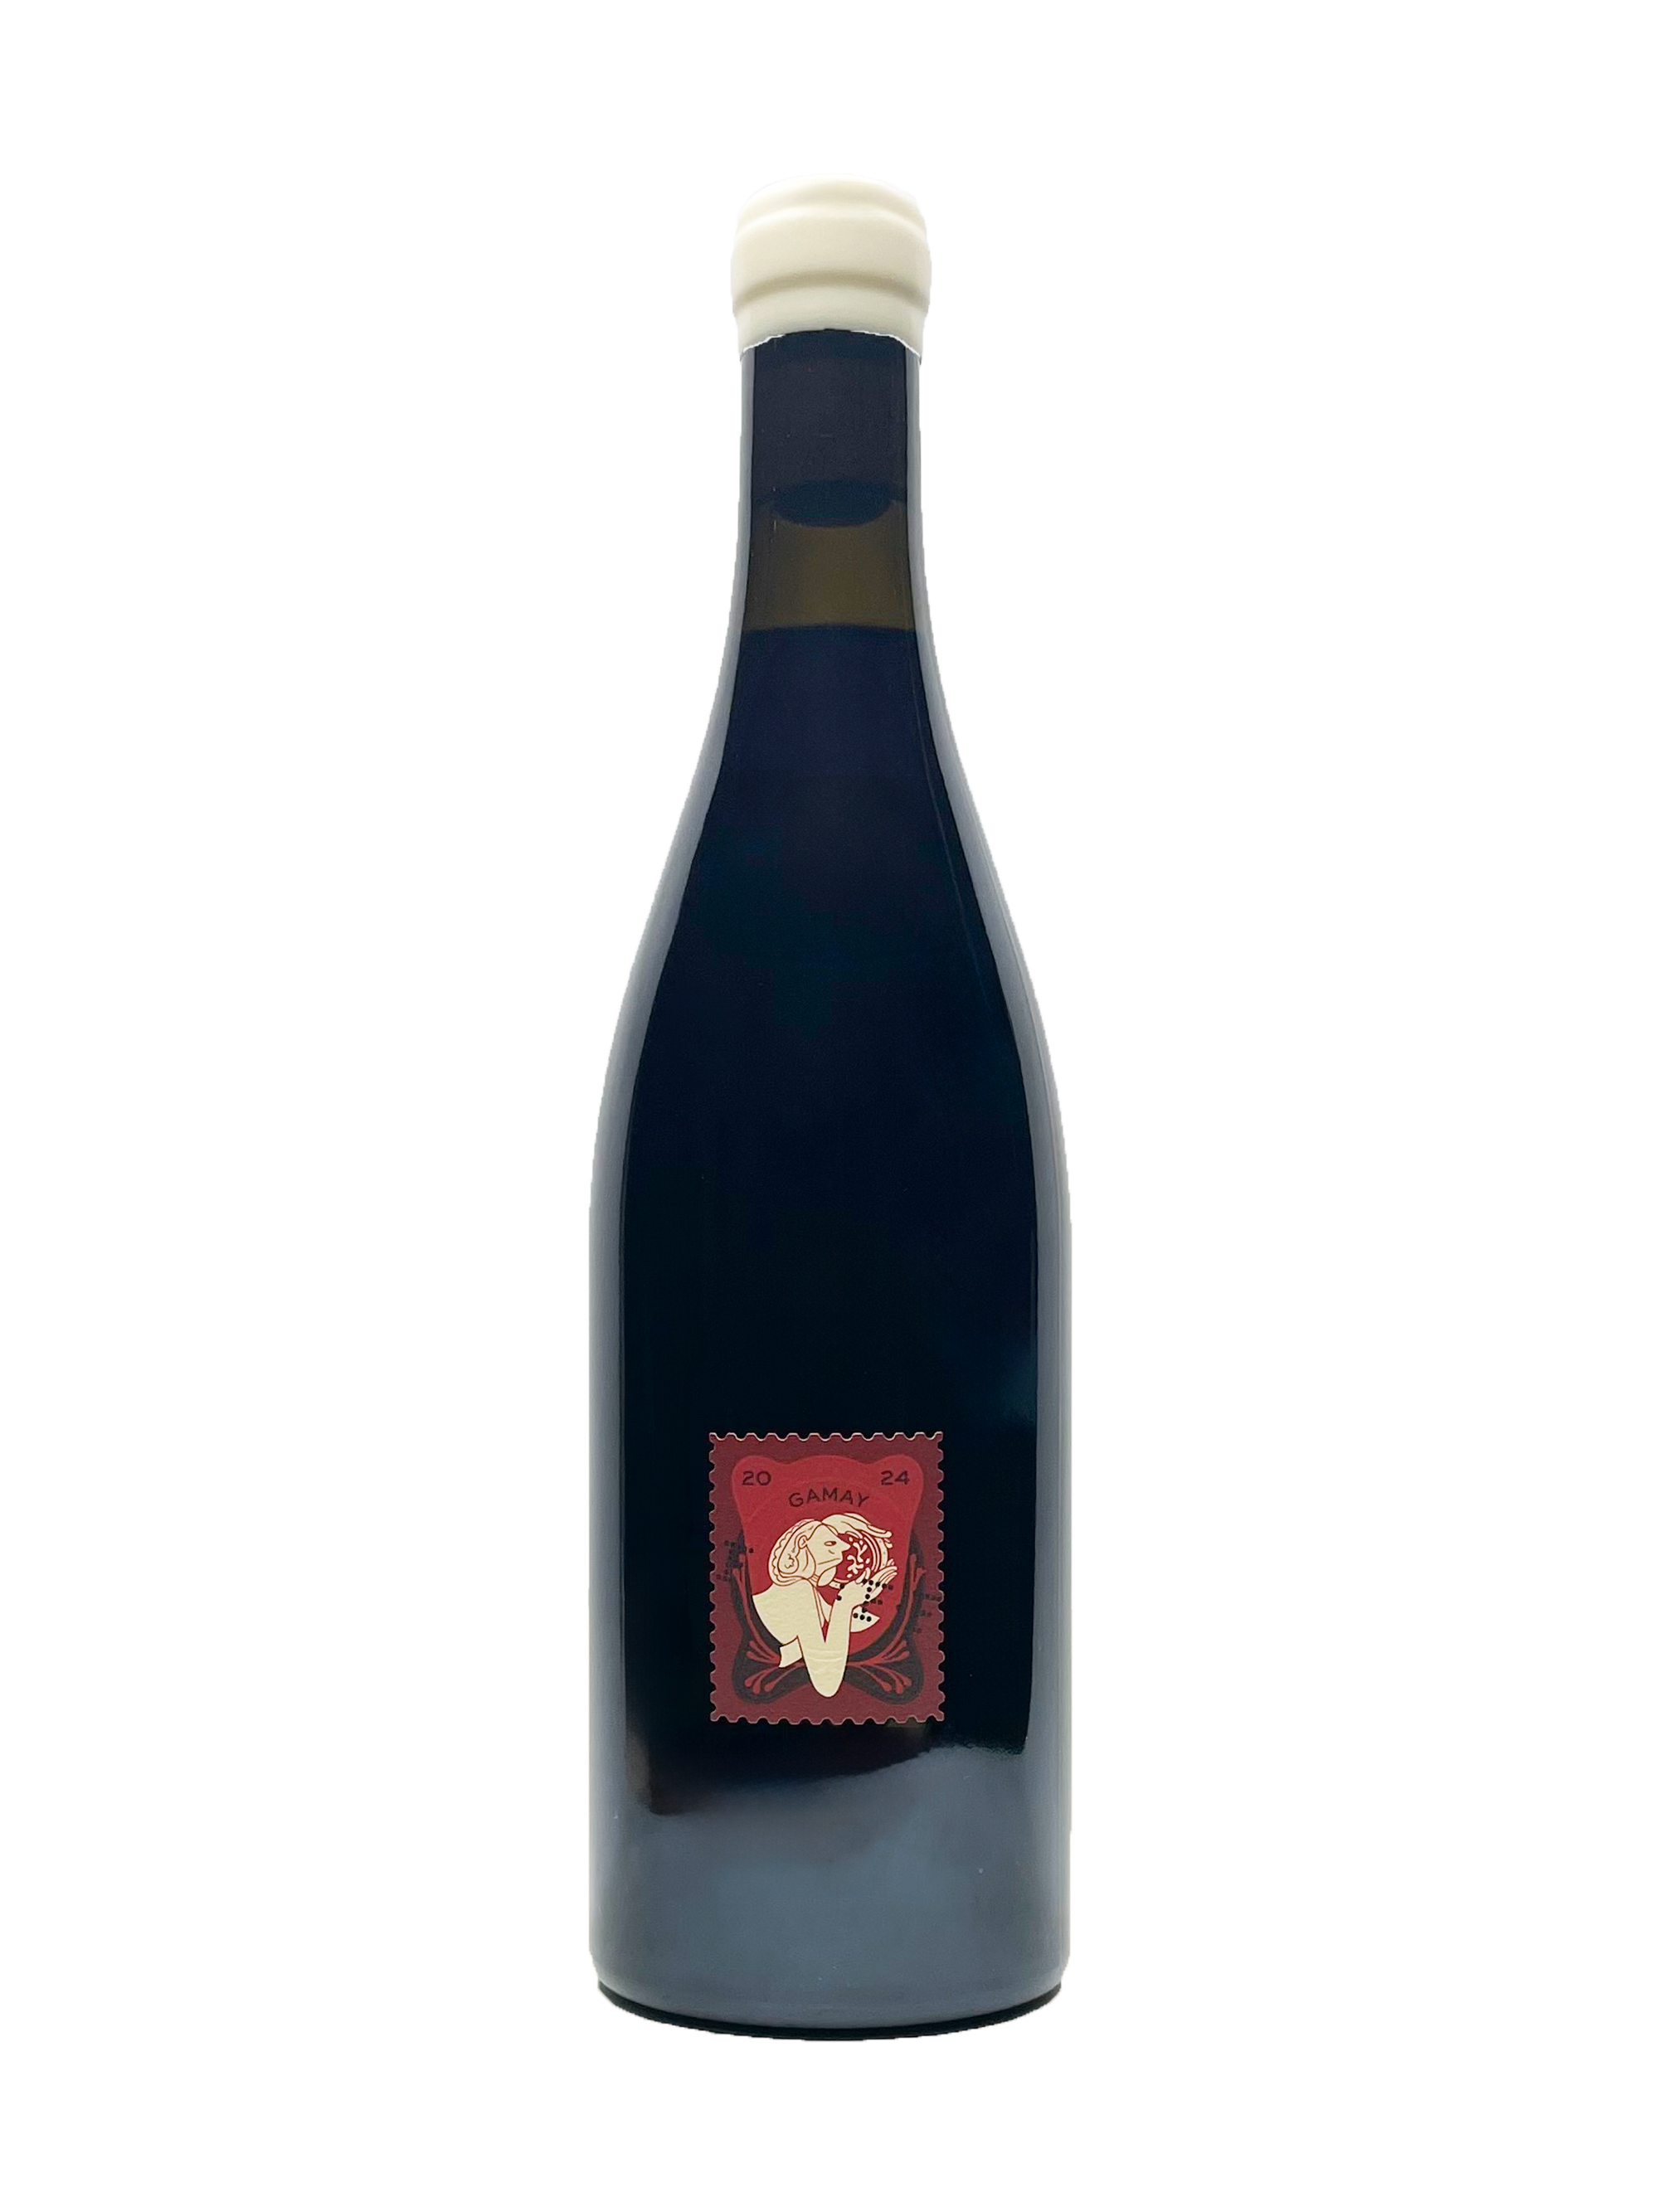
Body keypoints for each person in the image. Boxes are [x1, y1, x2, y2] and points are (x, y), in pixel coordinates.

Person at [752, 1514, 896, 1699]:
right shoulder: (799, 1590)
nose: (844, 1548)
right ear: (802, 1543)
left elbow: (859, 1622)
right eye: (830, 1543)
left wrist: (855, 1601)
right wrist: (845, 1603)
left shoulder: (805, 1593)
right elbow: (827, 1683)